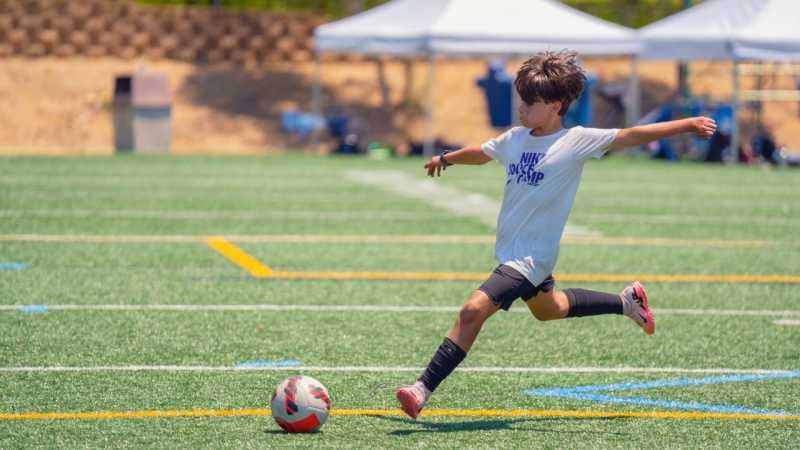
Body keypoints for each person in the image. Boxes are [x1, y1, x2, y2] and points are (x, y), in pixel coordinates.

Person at [395, 50, 717, 419]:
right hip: (512, 252)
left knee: (472, 311)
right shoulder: (515, 138)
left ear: (556, 106)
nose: (522, 109)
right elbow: (482, 153)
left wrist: (687, 124)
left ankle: (421, 389)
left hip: (531, 258)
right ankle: (627, 302)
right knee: (549, 310)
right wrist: (447, 158)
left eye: (532, 103)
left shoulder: (576, 142)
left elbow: (630, 135)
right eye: (522, 100)